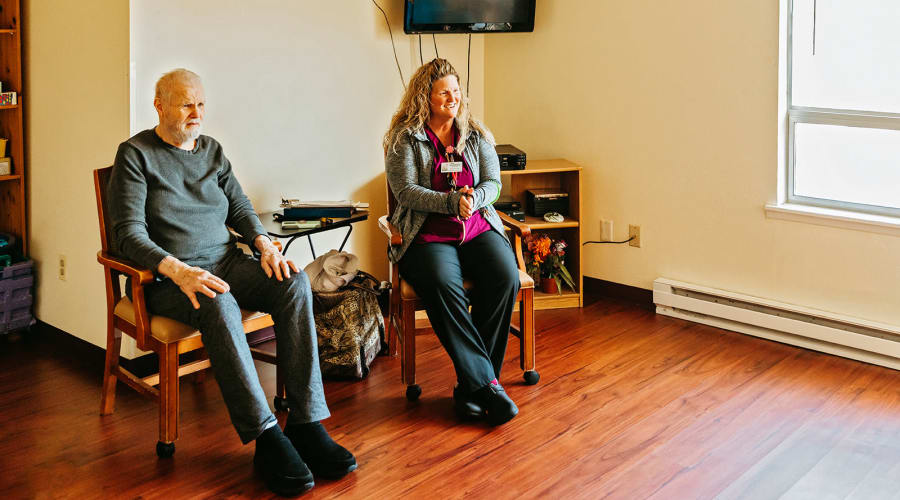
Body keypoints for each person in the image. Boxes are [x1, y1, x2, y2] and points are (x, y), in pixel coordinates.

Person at [108, 69, 355, 496]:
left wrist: (263, 244)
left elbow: (239, 206)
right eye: (186, 104)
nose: (196, 113)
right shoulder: (135, 156)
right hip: (169, 279)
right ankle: (265, 438)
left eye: (201, 104)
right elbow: (128, 234)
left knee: (293, 283)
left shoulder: (212, 151)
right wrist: (178, 270)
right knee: (218, 303)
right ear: (159, 105)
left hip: (225, 261)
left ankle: (306, 422)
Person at [383, 58, 521, 426]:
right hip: (426, 235)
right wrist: (448, 201)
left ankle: (471, 387)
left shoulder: (475, 133)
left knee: (504, 277)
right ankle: (488, 385)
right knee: (445, 286)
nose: (452, 98)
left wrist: (474, 198)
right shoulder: (404, 139)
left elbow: (494, 182)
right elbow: (405, 192)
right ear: (425, 97)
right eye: (444, 92)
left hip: (475, 227)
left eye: (456, 91)